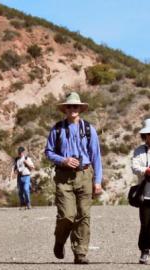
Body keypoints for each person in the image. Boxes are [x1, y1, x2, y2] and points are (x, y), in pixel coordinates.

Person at [45, 92, 102, 264]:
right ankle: (60, 240)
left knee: (83, 215)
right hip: (63, 177)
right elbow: (48, 152)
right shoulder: (57, 129)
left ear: (80, 109)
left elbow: (96, 157)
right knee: (67, 216)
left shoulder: (89, 129)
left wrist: (97, 182)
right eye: (69, 106)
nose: (72, 109)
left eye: (75, 106)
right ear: (65, 109)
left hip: (85, 175)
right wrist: (63, 160)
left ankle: (80, 253)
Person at [131, 118, 150, 264]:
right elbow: (135, 167)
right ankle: (144, 251)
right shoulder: (139, 151)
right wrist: (146, 170)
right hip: (145, 195)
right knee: (145, 224)